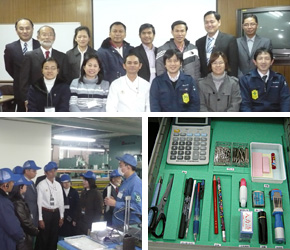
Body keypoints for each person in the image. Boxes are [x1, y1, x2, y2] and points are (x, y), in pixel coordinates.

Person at [19, 25, 69, 109]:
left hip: (57, 100)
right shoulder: (29, 56)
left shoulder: (62, 56)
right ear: (38, 37)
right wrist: (26, 98)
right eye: (44, 34)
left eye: (50, 34)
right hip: (35, 99)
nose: (47, 37)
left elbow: (65, 78)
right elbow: (24, 80)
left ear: (54, 37)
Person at [4, 18, 40, 112]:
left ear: (32, 29)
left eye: (28, 28)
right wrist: (22, 78)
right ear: (16, 30)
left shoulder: (41, 45)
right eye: (21, 28)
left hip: (40, 89)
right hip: (20, 90)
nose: (25, 31)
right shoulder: (10, 48)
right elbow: (9, 68)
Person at [240, 47, 290, 112]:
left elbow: (285, 100)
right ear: (254, 62)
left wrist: (284, 118)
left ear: (272, 61)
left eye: (267, 59)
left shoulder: (279, 78)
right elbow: (245, 103)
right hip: (254, 117)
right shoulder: (246, 79)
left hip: (275, 116)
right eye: (260, 59)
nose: (263, 62)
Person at [196, 11, 239, 77]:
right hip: (204, 82)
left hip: (224, 81)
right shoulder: (199, 42)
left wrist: (232, 82)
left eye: (212, 22)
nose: (209, 25)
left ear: (219, 22)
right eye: (206, 22)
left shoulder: (229, 39)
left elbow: (233, 65)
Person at [35, 162, 64, 250]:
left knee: (54, 237)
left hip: (55, 213)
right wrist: (40, 219)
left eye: (54, 171)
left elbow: (61, 201)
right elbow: (39, 203)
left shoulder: (58, 185)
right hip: (45, 213)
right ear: (45, 173)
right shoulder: (41, 185)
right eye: (50, 171)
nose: (53, 173)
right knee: (43, 237)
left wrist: (61, 216)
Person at [9, 174, 39, 250]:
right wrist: (35, 230)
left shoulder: (17, 200)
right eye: (25, 185)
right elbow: (24, 222)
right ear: (20, 188)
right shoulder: (18, 203)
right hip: (22, 239)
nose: (26, 187)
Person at [0, 168, 25, 250]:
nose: (13, 184)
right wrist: (21, 236)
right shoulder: (4, 202)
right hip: (4, 242)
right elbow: (12, 227)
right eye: (12, 182)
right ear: (6, 185)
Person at [23, 160, 42, 228]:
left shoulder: (32, 183)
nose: (36, 173)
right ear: (26, 171)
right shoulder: (21, 184)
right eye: (34, 171)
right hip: (27, 217)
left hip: (34, 215)